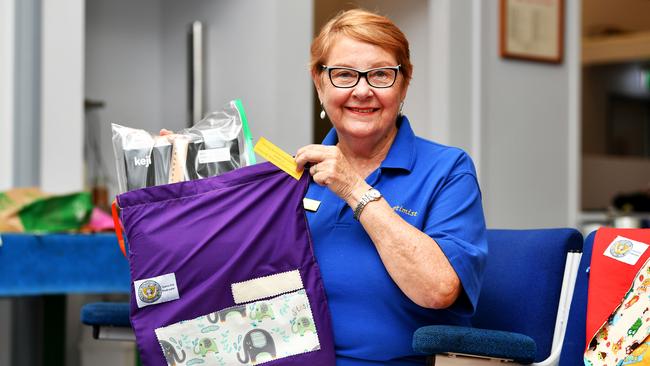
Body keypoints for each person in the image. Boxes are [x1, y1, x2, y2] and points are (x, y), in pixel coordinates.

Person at [293, 9, 488, 365]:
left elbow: (438, 290)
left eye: (381, 74)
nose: (362, 90)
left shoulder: (448, 170)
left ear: (405, 82)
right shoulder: (296, 176)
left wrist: (353, 188)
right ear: (319, 82)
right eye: (344, 75)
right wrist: (187, 192)